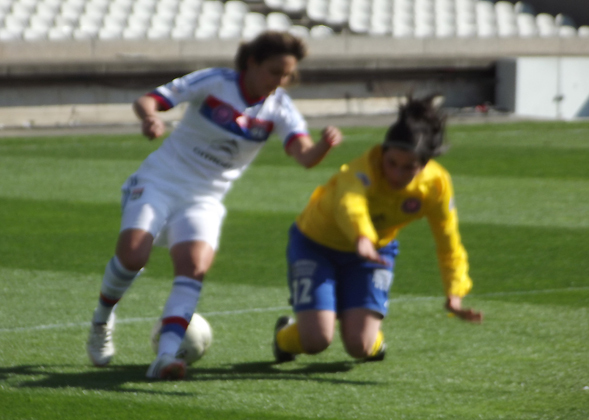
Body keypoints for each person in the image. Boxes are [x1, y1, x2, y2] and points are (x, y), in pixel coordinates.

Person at [86, 31, 343, 380]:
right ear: (251, 63)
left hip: (205, 199)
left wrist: (325, 145)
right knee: (133, 256)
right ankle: (102, 320)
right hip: (160, 181)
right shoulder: (215, 81)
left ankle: (165, 357)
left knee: (193, 268)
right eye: (274, 71)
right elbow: (150, 100)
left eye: (287, 75)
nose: (280, 81)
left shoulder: (279, 107)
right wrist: (150, 118)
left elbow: (305, 155)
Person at [272, 94, 482, 364]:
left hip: (375, 253)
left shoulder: (437, 185)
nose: (396, 174)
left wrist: (455, 294)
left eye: (409, 167)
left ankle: (372, 339)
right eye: (391, 163)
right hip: (315, 245)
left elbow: (448, 241)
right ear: (383, 152)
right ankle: (282, 336)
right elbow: (350, 203)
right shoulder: (362, 169)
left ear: (426, 163)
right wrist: (362, 236)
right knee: (316, 341)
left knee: (360, 347)